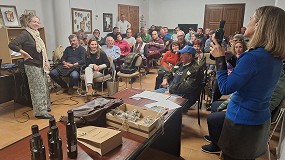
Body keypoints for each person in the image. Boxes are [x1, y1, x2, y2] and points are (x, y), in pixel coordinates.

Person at [210, 6, 285, 160]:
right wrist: (227, 57)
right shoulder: (276, 58)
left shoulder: (252, 57)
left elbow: (225, 87)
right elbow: (250, 78)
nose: (248, 22)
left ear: (259, 25)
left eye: (251, 18)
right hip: (260, 118)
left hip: (241, 121)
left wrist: (219, 59)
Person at [8, 14, 53, 119]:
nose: (37, 24)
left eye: (38, 22)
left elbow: (41, 51)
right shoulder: (25, 34)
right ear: (28, 23)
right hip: (32, 66)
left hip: (40, 64)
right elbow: (12, 44)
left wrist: (46, 62)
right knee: (38, 89)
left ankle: (44, 107)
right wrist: (24, 53)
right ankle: (40, 112)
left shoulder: (36, 34)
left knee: (44, 87)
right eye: (34, 22)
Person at [154, 45, 203, 111]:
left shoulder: (195, 69)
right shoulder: (179, 64)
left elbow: (186, 87)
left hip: (184, 96)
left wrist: (171, 90)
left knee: (160, 108)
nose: (180, 56)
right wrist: (165, 79)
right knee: (149, 96)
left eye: (183, 54)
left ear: (190, 56)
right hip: (170, 90)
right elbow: (169, 72)